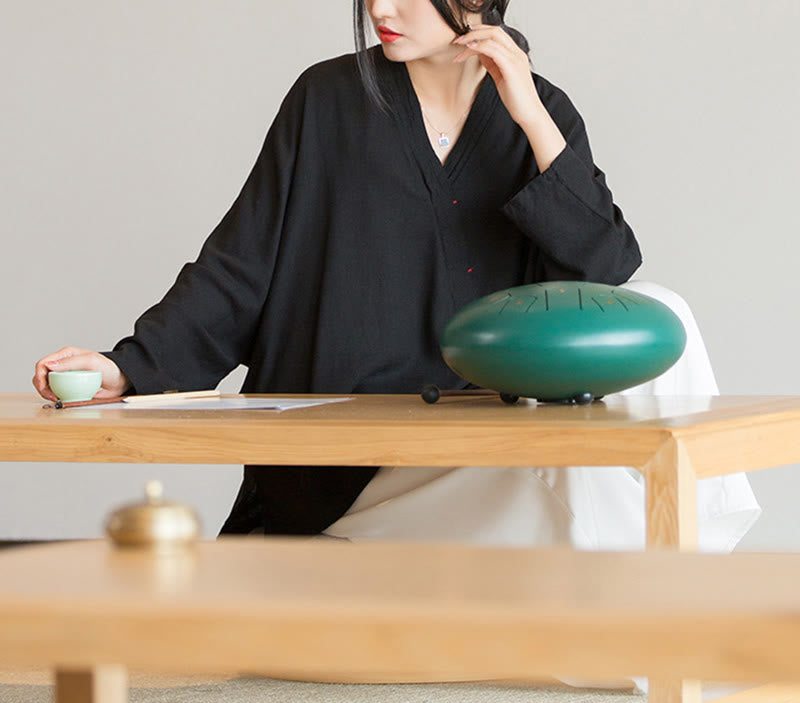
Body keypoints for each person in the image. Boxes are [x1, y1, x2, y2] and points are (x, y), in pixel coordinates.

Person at [32, 0, 759, 555]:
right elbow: (240, 265)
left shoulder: (541, 112)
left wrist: (530, 111)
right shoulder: (326, 100)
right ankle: (686, 617)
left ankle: (674, 606)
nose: (381, 9)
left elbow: (601, 279)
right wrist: (128, 367)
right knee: (582, 475)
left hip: (484, 446)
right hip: (357, 466)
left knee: (658, 311)